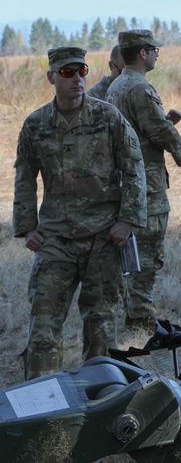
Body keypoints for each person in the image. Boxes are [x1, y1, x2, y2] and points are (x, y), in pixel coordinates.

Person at [14, 46, 147, 379]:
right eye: (67, 73)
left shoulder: (108, 118)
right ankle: (40, 404)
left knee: (101, 327)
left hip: (103, 238)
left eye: (82, 71)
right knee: (44, 325)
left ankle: (101, 399)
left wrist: (127, 221)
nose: (76, 79)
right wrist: (27, 228)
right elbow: (24, 177)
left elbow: (134, 168)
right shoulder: (36, 125)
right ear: (51, 78)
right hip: (56, 239)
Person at [106, 29, 181, 331]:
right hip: (146, 183)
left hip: (123, 180)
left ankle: (130, 308)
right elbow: (157, 131)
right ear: (143, 53)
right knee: (149, 250)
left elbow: (137, 129)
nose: (157, 54)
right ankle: (140, 315)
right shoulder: (140, 88)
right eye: (155, 49)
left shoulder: (116, 85)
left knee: (131, 249)